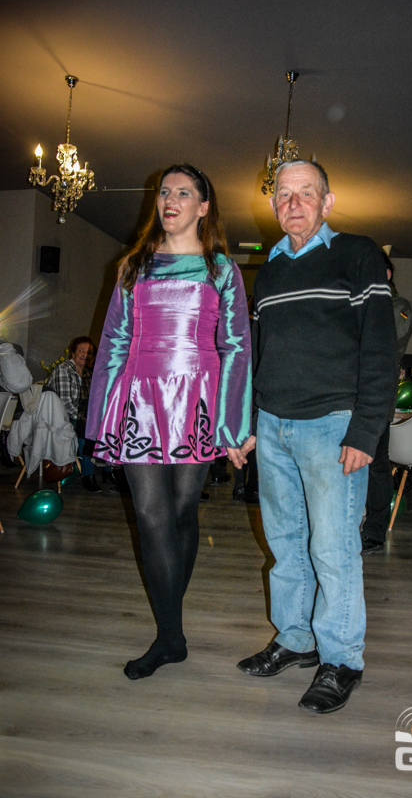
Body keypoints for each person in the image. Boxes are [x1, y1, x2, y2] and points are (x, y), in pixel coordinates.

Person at [234, 159, 397, 714]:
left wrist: (366, 430)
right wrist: (249, 422)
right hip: (273, 425)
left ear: (327, 202)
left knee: (333, 549)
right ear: (273, 205)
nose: (294, 203)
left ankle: (342, 659)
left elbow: (380, 349)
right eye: (284, 194)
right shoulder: (270, 270)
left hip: (333, 425)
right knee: (285, 546)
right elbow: (260, 355)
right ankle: (296, 638)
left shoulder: (357, 254)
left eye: (307, 193)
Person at [86, 164, 252, 680]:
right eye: (164, 192)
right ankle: (170, 637)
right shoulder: (132, 266)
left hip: (196, 400)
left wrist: (233, 422)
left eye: (183, 192)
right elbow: (113, 341)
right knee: (152, 515)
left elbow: (236, 346)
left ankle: (170, 623)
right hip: (139, 397)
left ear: (204, 207)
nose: (170, 199)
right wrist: (101, 416)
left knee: (182, 513)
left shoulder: (222, 270)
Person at [361, 253, 412, 553]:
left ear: (387, 274)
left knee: (376, 464)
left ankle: (374, 532)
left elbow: (386, 346)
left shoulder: (399, 307)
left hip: (377, 393)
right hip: (348, 393)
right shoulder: (358, 303)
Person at [46, 336, 102, 492]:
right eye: (81, 350)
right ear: (72, 353)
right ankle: (88, 475)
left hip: (81, 415)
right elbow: (66, 404)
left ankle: (109, 471)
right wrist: (86, 418)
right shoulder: (63, 370)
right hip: (61, 417)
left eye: (88, 352)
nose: (84, 355)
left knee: (109, 426)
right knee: (86, 430)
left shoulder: (89, 374)